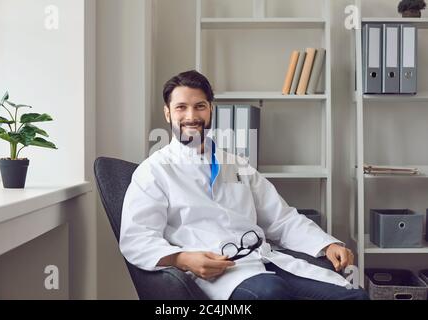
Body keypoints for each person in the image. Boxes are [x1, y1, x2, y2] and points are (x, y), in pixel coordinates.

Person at [119, 70, 369, 300]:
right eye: (181, 107)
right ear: (167, 112)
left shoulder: (237, 164)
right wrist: (183, 258)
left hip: (264, 260)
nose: (191, 116)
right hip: (216, 273)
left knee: (354, 296)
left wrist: (326, 244)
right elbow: (136, 239)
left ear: (210, 109)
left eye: (200, 106)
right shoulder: (153, 171)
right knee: (270, 294)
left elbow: (281, 219)